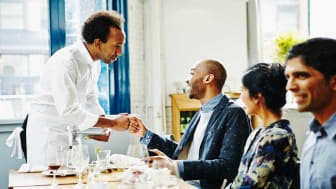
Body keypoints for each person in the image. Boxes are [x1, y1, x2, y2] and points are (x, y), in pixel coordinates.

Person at [25, 11, 130, 170]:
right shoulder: (66, 61)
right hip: (48, 136)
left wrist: (104, 126)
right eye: (117, 46)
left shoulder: (94, 64)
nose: (120, 52)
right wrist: (113, 123)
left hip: (69, 134)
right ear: (98, 43)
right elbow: (68, 110)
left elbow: (90, 100)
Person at [128, 59, 252, 189]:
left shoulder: (234, 113)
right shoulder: (201, 113)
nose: (187, 80)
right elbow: (181, 154)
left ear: (208, 78)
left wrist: (174, 166)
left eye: (192, 73)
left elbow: (228, 166)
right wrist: (145, 133)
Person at [228, 63, 299, 188]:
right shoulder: (258, 133)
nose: (241, 97)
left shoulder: (277, 137)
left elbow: (251, 184)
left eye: (243, 90)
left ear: (257, 97)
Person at [285, 38, 336, 189]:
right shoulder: (313, 137)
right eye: (288, 77)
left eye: (301, 76)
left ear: (334, 82)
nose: (290, 86)